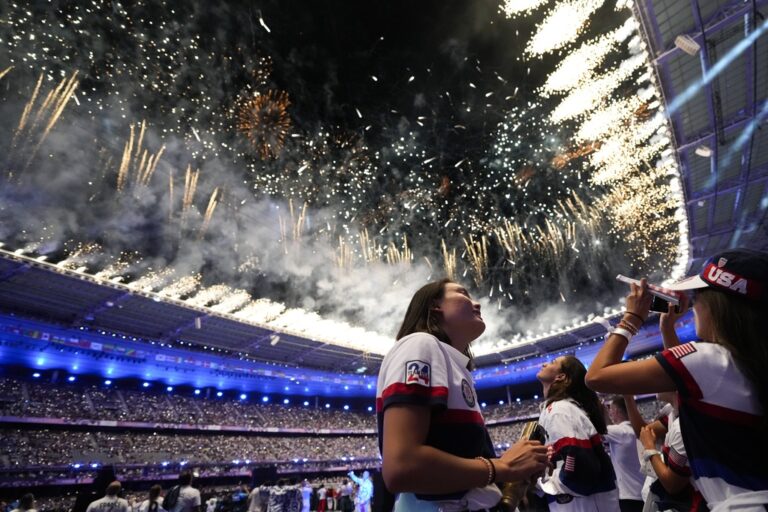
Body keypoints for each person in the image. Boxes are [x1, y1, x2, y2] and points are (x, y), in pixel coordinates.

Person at [585, 248, 768, 509]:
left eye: (697, 296)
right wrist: (666, 328)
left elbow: (596, 377)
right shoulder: (743, 360)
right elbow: (691, 384)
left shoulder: (709, 359)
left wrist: (632, 319)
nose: (694, 305)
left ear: (718, 305)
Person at [377, 279, 549, 511]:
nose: (476, 303)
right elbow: (402, 467)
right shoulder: (420, 343)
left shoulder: (456, 365)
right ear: (434, 306)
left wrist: (516, 471)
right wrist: (502, 467)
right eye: (463, 294)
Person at [535, 355, 619, 510]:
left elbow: (579, 465)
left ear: (561, 377)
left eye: (553, 362)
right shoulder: (561, 409)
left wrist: (544, 485)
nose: (545, 363)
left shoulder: (560, 410)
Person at [605, 396, 646, 511]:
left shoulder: (618, 432)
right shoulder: (639, 430)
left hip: (628, 496)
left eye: (610, 409)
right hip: (644, 493)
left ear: (616, 411)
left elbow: (593, 430)